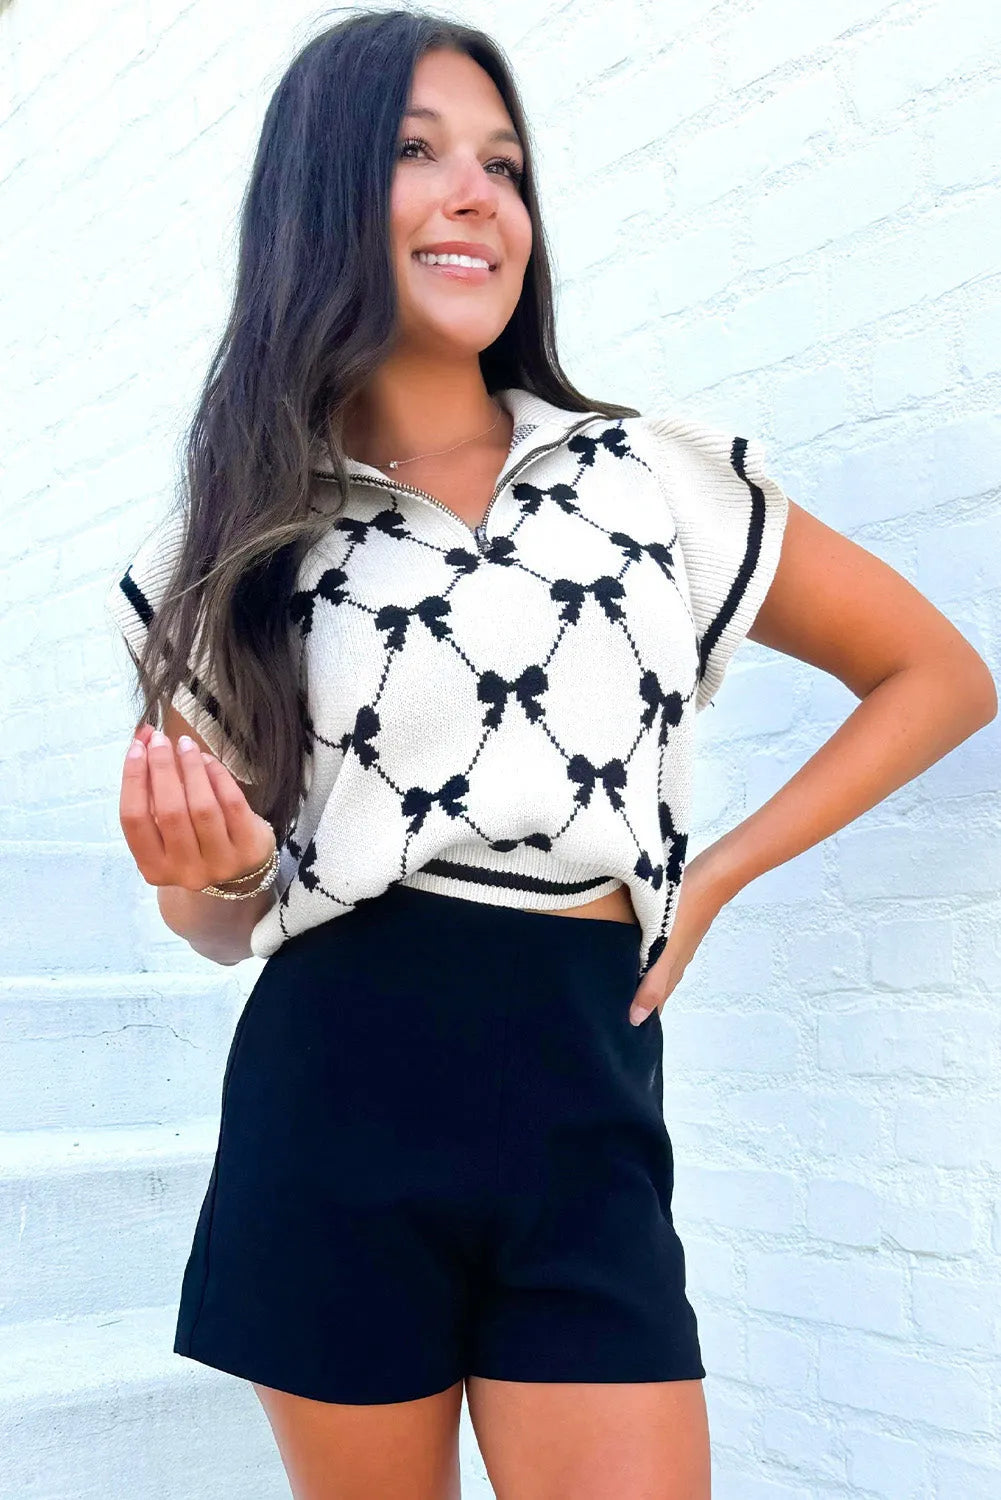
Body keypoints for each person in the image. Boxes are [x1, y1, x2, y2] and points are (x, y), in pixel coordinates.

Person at [105, 12, 997, 1500]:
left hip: (585, 1085)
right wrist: (224, 874)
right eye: (417, 151)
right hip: (336, 1087)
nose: (478, 194)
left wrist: (710, 880)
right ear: (319, 196)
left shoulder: (646, 478)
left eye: (504, 164)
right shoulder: (228, 542)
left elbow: (939, 677)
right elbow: (210, 921)